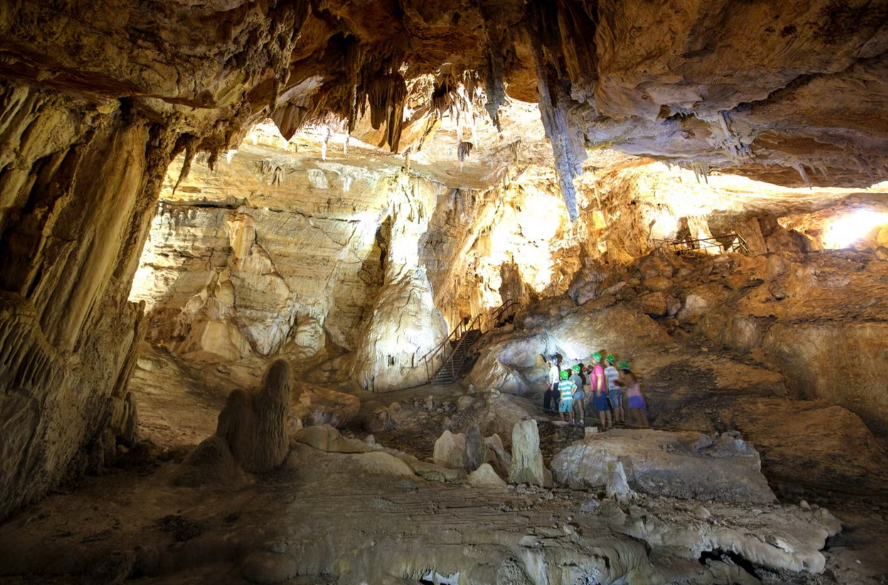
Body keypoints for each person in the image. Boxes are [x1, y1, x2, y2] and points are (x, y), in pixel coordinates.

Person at [589, 352, 612, 430]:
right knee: (606, 407)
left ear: (595, 359)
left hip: (599, 391)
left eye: (592, 357)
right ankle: (609, 424)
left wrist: (598, 390)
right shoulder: (597, 367)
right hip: (602, 390)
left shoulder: (598, 367)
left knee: (601, 409)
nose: (591, 358)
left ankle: (603, 426)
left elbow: (599, 378)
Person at [621, 363, 648, 427]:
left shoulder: (628, 376)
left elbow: (630, 385)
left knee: (638, 416)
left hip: (634, 398)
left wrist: (622, 380)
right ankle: (647, 429)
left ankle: (642, 429)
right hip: (639, 397)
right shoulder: (633, 376)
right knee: (643, 416)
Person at [604, 355, 625, 425]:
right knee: (620, 406)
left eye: (605, 360)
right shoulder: (615, 370)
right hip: (618, 389)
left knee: (615, 406)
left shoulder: (607, 370)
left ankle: (617, 421)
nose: (604, 361)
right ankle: (622, 420)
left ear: (607, 361)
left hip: (612, 389)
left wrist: (606, 390)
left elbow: (606, 380)